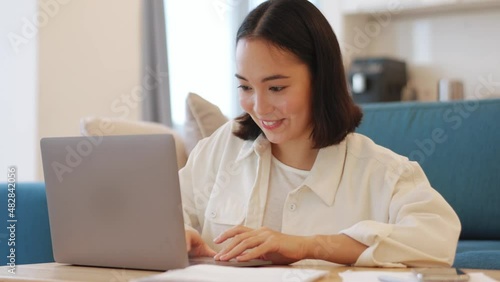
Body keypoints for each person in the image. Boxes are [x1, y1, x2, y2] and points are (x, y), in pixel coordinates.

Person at [180, 0, 460, 267]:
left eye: (276, 88)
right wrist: (179, 234)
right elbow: (167, 210)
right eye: (245, 87)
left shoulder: (380, 172)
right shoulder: (222, 147)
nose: (260, 107)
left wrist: (306, 246)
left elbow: (437, 240)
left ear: (320, 81)